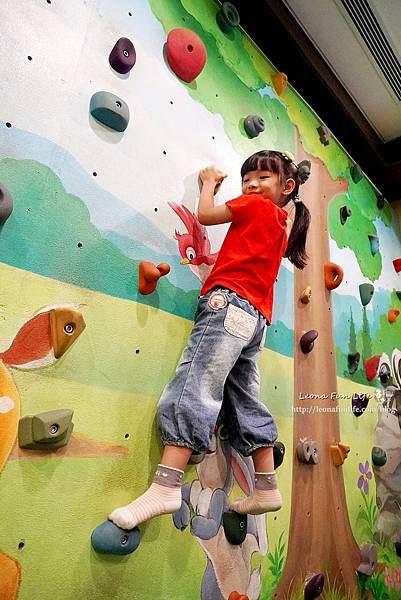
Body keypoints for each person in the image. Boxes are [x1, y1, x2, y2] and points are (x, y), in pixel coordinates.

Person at [109, 149, 311, 530]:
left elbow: (206, 215)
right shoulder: (281, 223)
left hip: (228, 303)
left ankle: (166, 485)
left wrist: (206, 185)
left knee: (195, 384)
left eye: (262, 178)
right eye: (247, 178)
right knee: (244, 398)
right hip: (255, 320)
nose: (251, 184)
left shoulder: (255, 208)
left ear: (286, 187)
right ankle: (266, 486)